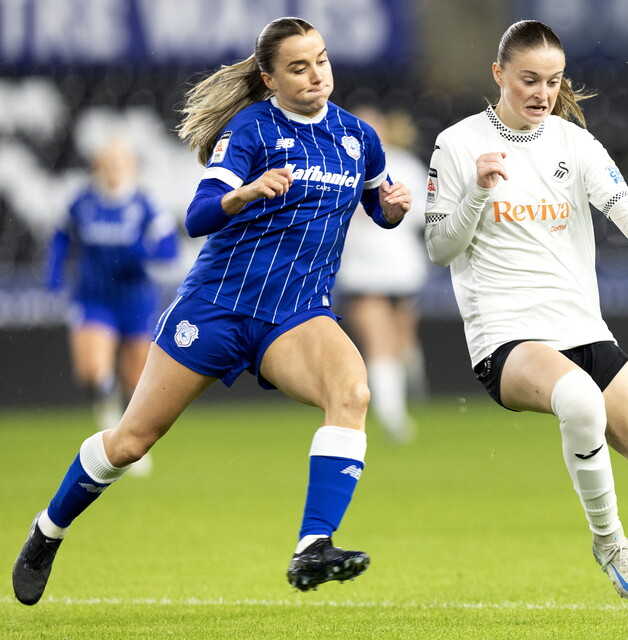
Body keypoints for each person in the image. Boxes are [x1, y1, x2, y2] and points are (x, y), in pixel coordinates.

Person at [12, 16, 411, 606]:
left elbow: (379, 208)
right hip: (217, 307)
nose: (315, 75)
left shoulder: (357, 137)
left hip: (296, 316)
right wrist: (244, 192)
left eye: (321, 61)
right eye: (298, 67)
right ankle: (48, 530)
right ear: (270, 79)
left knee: (351, 392)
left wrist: (395, 208)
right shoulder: (251, 129)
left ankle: (313, 545)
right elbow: (199, 216)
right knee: (131, 442)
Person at [423, 20, 628, 619]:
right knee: (582, 402)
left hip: (585, 333)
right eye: (529, 80)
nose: (542, 93)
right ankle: (610, 542)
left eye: (554, 81)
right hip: (507, 339)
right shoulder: (458, 145)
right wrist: (479, 192)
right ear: (499, 75)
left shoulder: (574, 143)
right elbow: (438, 247)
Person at [46, 138, 180, 478]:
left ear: (131, 167)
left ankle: (126, 440)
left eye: (121, 162)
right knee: (93, 370)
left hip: (136, 298)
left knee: (136, 380)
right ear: (98, 167)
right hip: (94, 296)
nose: (114, 169)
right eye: (108, 162)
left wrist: (142, 255)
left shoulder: (145, 205)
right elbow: (62, 236)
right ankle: (108, 417)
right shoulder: (83, 202)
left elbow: (169, 249)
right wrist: (55, 272)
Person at [337, 105, 430, 443]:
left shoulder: (403, 164)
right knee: (379, 342)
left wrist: (398, 207)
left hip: (401, 270)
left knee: (402, 343)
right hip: (362, 273)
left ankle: (411, 388)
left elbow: (424, 210)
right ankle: (394, 418)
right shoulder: (337, 165)